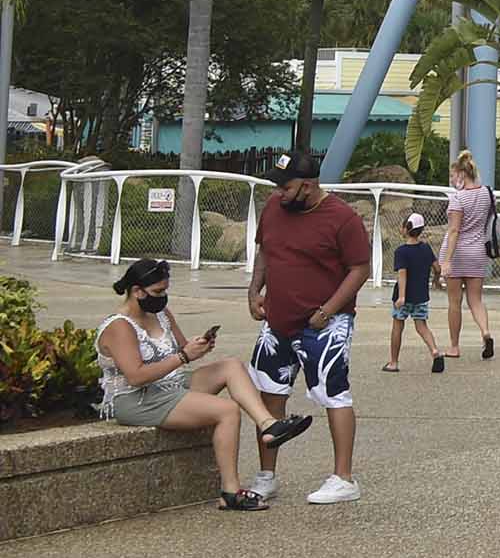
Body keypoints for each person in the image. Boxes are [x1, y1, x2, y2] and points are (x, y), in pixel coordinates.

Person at [95, 257, 311, 512]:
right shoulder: (119, 326)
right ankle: (230, 492)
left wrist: (198, 347)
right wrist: (184, 356)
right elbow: (137, 376)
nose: (162, 297)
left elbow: (180, 350)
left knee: (231, 365)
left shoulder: (160, 312)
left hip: (168, 384)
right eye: (157, 292)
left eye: (165, 290)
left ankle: (269, 425)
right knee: (226, 411)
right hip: (135, 398)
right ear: (136, 291)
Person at [245, 151, 372, 505]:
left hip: (324, 322)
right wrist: (255, 289)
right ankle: (266, 475)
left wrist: (330, 310)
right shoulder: (274, 208)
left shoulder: (342, 219)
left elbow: (359, 269)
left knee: (333, 393)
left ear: (308, 185)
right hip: (278, 319)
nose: (279, 192)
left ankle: (344, 478)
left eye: (285, 187)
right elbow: (265, 251)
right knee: (269, 394)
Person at [441, 151, 498, 361]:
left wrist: (446, 259)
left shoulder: (458, 199)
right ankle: (485, 333)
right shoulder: (487, 194)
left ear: (461, 175)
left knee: (454, 302)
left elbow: (454, 230)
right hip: (478, 252)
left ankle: (454, 346)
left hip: (458, 254)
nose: (452, 180)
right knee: (476, 300)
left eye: (453, 176)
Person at [385, 209, 446, 375]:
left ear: (406, 228)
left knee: (398, 326)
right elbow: (437, 268)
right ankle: (434, 351)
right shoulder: (426, 248)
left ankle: (393, 362)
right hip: (420, 296)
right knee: (422, 326)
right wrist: (435, 279)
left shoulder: (401, 252)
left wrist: (402, 296)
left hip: (403, 297)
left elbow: (402, 275)